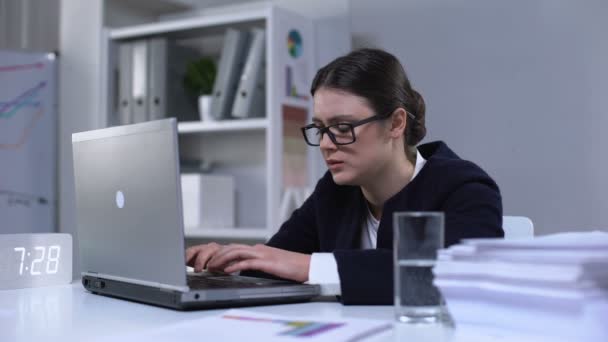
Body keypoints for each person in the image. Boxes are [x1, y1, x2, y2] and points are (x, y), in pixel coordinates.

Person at [186, 48, 503, 305]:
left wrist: (308, 266)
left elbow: (458, 277)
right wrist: (232, 261)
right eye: (321, 129)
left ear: (395, 124)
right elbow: (281, 260)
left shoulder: (465, 186)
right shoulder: (335, 190)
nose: (325, 144)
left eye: (342, 128)